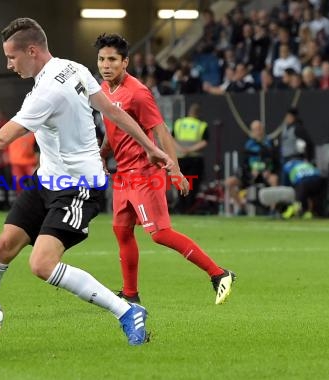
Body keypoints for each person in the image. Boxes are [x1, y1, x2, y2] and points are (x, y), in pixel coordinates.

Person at [0, 17, 174, 347]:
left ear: (32, 50)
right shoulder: (74, 68)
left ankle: (127, 311)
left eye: (12, 58)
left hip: (78, 188)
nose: (8, 65)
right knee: (2, 247)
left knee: (41, 264)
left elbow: (0, 140)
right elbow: (112, 112)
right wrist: (151, 147)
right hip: (47, 182)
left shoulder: (45, 93)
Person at [94, 33, 235, 305]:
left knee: (159, 234)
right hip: (123, 175)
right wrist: (103, 154)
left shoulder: (138, 92)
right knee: (121, 232)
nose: (106, 65)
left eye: (112, 59)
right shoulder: (102, 90)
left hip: (145, 173)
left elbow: (161, 130)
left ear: (125, 62)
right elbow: (114, 129)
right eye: (101, 59)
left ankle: (219, 273)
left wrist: (175, 170)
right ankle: (131, 295)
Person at [225, 120, 278, 214]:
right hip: (250, 175)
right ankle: (241, 208)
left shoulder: (269, 143)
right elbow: (243, 163)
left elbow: (275, 161)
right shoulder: (248, 144)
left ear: (263, 130)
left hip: (264, 175)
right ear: (252, 131)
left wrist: (268, 170)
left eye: (259, 129)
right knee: (229, 182)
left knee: (274, 179)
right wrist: (249, 172)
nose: (258, 131)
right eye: (255, 129)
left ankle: (273, 209)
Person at [172, 103, 209, 214]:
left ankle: (181, 207)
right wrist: (190, 149)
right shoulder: (201, 125)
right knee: (193, 184)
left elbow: (171, 138)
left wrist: (181, 149)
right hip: (194, 158)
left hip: (180, 157)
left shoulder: (179, 123)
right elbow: (204, 142)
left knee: (180, 183)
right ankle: (190, 207)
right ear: (198, 114)